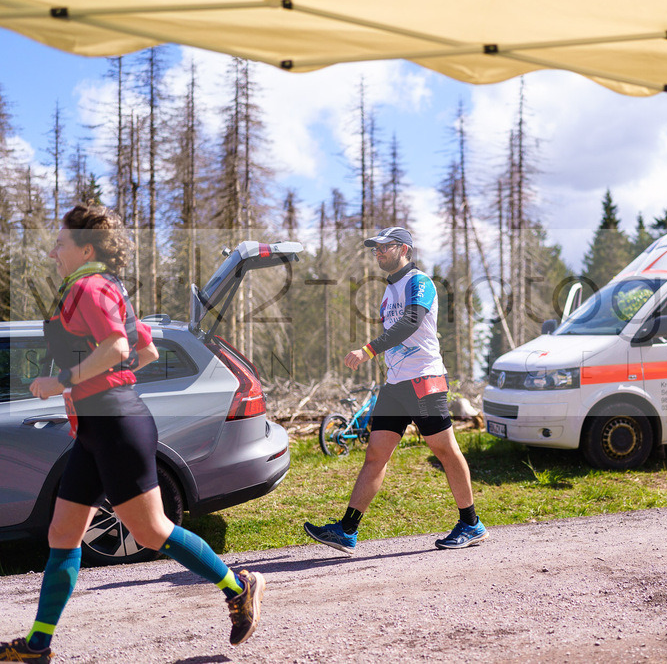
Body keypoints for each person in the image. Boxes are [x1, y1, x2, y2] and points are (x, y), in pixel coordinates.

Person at [0, 206, 265, 664]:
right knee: (63, 534)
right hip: (95, 429)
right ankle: (38, 646)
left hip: (117, 428)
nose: (52, 252)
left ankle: (239, 588)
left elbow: (120, 348)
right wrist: (95, 385)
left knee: (152, 530)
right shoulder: (107, 287)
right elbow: (145, 350)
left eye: (60, 244)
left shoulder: (88, 286)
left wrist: (66, 381)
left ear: (86, 248)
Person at [304, 227, 488, 553]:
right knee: (375, 455)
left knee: (445, 450)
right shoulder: (389, 291)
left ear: (404, 249)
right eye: (375, 249)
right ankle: (347, 530)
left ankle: (471, 523)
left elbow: (411, 323)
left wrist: (368, 350)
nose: (378, 253)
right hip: (395, 387)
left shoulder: (420, 282)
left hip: (424, 382)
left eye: (384, 248)